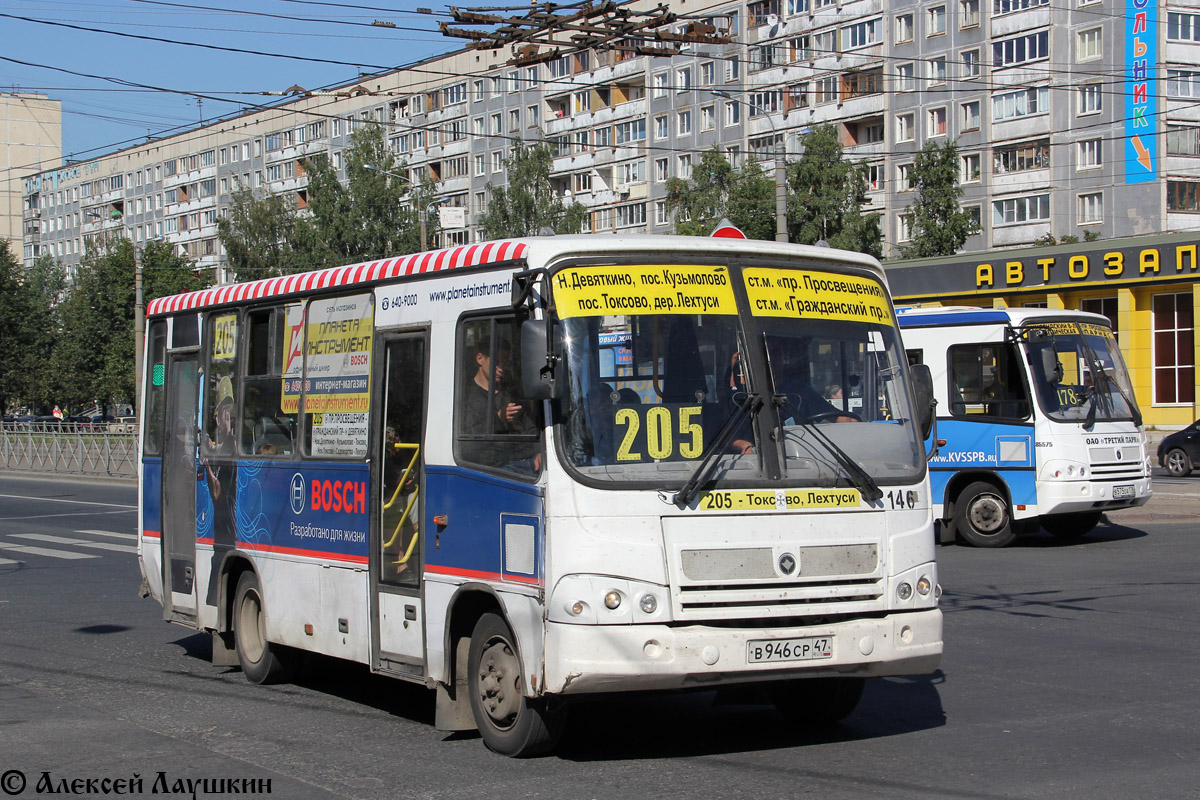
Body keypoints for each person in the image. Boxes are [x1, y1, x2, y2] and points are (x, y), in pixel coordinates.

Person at [461, 336, 542, 474]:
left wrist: (540, 453)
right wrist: (498, 419)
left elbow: (530, 429)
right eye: (497, 363)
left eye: (505, 363)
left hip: (529, 463)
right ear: (480, 359)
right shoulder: (466, 395)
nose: (501, 369)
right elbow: (466, 446)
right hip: (494, 469)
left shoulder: (510, 392)